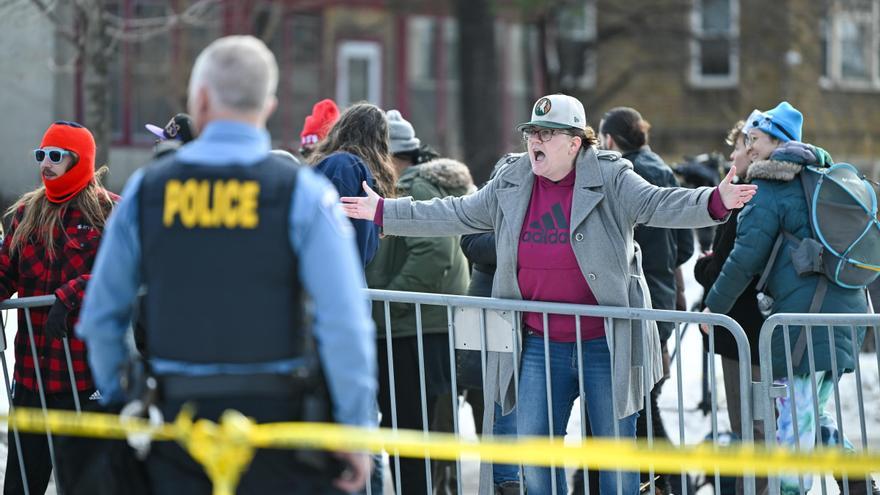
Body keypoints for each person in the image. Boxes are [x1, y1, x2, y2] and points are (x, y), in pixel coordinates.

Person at [341, 93, 757, 494]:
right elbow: (456, 212)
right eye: (531, 132)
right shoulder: (512, 178)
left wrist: (714, 201)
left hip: (605, 341)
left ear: (575, 143)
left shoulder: (611, 177)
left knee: (615, 462)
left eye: (547, 133)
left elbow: (658, 203)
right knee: (536, 459)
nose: (534, 141)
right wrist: (384, 211)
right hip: (540, 342)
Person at [76, 35, 376, 495]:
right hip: (278, 431)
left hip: (175, 425)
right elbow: (344, 322)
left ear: (200, 99)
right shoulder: (302, 193)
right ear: (268, 106)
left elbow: (100, 316)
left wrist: (126, 397)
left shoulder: (148, 191)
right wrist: (354, 429)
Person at [703, 101, 873, 495]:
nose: (749, 146)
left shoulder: (771, 186)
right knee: (809, 413)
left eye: (756, 138)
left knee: (794, 425)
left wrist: (714, 306)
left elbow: (745, 258)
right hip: (843, 315)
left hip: (803, 322)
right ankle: (858, 482)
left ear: (779, 142)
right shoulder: (820, 177)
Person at [1, 121, 118, 494]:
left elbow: (123, 275)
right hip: (31, 376)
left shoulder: (109, 212)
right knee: (20, 485)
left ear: (79, 160)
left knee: (86, 485)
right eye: (41, 155)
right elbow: (5, 272)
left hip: (84, 379)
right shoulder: (26, 213)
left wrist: (71, 296)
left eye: (55, 156)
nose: (45, 164)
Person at [365, 109, 473, 494]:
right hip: (422, 326)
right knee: (419, 431)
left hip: (411, 330)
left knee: (411, 431)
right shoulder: (414, 184)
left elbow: (434, 252)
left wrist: (387, 303)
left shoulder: (410, 186)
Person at [597, 106, 695, 495]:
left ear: (608, 140)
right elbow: (685, 246)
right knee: (640, 399)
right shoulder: (663, 170)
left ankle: (669, 482)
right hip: (662, 299)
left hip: (632, 299)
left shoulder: (620, 176)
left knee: (636, 404)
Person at [693, 119, 766, 495]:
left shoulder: (749, 198)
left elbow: (730, 264)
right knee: (756, 428)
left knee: (750, 429)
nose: (733, 155)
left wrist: (702, 266)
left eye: (738, 147)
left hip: (744, 331)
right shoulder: (756, 195)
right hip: (749, 329)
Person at [308, 103, 398, 266]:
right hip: (343, 272)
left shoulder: (343, 166)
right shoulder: (363, 175)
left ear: (342, 129)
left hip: (327, 270)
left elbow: (326, 228)